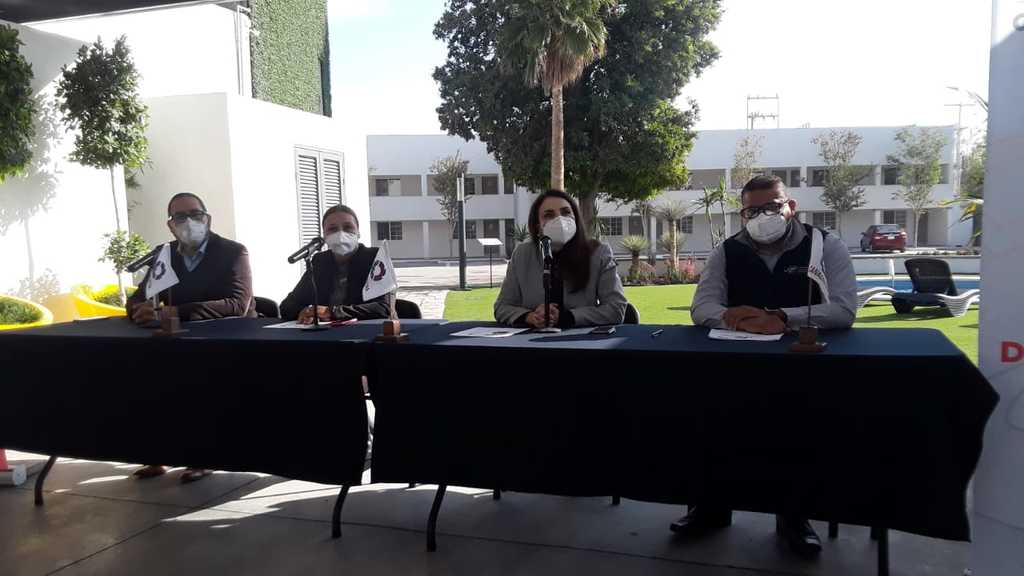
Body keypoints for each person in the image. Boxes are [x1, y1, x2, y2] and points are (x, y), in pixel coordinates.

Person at [680, 175, 857, 557]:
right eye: (753, 210)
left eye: (772, 207)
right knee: (706, 418)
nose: (763, 216)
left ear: (790, 207)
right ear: (743, 214)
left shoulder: (825, 245)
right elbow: (702, 306)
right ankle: (710, 508)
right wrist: (742, 320)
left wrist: (779, 316)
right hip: (736, 364)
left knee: (796, 431)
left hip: (802, 366)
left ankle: (793, 516)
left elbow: (843, 309)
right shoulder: (727, 250)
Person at [126, 192, 257, 483]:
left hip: (227, 341)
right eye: (180, 216)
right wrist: (139, 310)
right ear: (170, 225)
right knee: (142, 373)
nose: (189, 221)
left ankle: (203, 454)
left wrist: (175, 312)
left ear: (207, 218)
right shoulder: (165, 254)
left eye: (195, 214)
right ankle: (157, 452)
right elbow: (138, 297)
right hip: (177, 339)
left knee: (197, 378)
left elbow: (238, 304)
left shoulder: (233, 252)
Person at [495, 189, 626, 328]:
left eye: (566, 212)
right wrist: (531, 317)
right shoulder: (522, 254)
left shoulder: (599, 253)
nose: (560, 220)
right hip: (532, 339)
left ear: (575, 219)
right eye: (549, 215)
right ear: (538, 226)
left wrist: (567, 317)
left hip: (580, 339)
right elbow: (502, 307)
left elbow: (616, 308)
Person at [279, 204, 392, 323]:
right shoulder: (320, 261)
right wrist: (305, 311)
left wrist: (332, 312)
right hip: (325, 332)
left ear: (358, 232)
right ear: (324, 235)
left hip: (363, 331)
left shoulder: (374, 257)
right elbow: (287, 306)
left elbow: (383, 308)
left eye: (348, 227)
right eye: (332, 229)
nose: (341, 234)